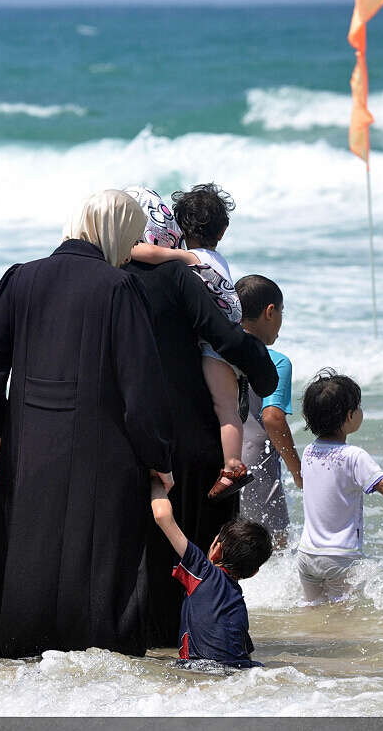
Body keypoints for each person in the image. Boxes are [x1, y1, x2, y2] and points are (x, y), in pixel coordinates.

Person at [0, 189, 175, 659]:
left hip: (31, 452)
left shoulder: (21, 279)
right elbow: (141, 389)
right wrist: (160, 457)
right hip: (106, 459)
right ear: (113, 229)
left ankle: (19, 658)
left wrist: (8, 424)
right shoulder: (119, 288)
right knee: (101, 572)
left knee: (27, 562)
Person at [122, 186, 278, 649]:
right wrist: (264, 372)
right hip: (189, 432)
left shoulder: (111, 277)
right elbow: (224, 336)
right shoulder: (177, 274)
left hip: (132, 427)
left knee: (146, 541)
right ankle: (206, 638)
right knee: (201, 542)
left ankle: (146, 643)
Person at [129, 183, 250, 499]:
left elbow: (148, 252)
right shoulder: (216, 259)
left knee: (223, 405)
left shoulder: (189, 257)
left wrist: (129, 248)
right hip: (227, 340)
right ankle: (233, 464)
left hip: (214, 346)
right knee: (227, 407)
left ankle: (233, 467)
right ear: (222, 231)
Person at [298, 369, 383, 603]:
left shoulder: (309, 451)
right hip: (340, 557)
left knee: (312, 611)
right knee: (344, 616)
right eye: (358, 407)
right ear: (350, 416)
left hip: (307, 554)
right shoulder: (353, 455)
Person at [150, 477, 272, 668]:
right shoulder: (238, 602)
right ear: (252, 573)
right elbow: (244, 652)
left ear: (216, 550)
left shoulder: (202, 571)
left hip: (200, 671)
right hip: (240, 669)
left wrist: (156, 479)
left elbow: (162, 516)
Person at [235, 275, 301, 548]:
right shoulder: (276, 360)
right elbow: (272, 418)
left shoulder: (217, 350)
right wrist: (298, 472)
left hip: (221, 459)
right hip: (255, 464)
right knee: (274, 546)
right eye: (281, 312)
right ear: (270, 312)